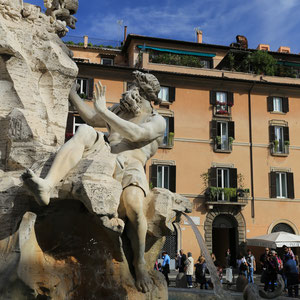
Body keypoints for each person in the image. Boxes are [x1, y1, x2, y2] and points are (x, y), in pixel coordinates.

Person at [22, 71, 166, 294]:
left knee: (135, 207)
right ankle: (47, 186)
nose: (131, 91)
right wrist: (71, 93)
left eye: (137, 89)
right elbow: (91, 117)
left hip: (131, 167)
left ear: (148, 96)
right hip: (106, 155)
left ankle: (139, 264)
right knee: (85, 130)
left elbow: (137, 134)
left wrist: (104, 111)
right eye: (132, 86)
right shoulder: (119, 111)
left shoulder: (157, 121)